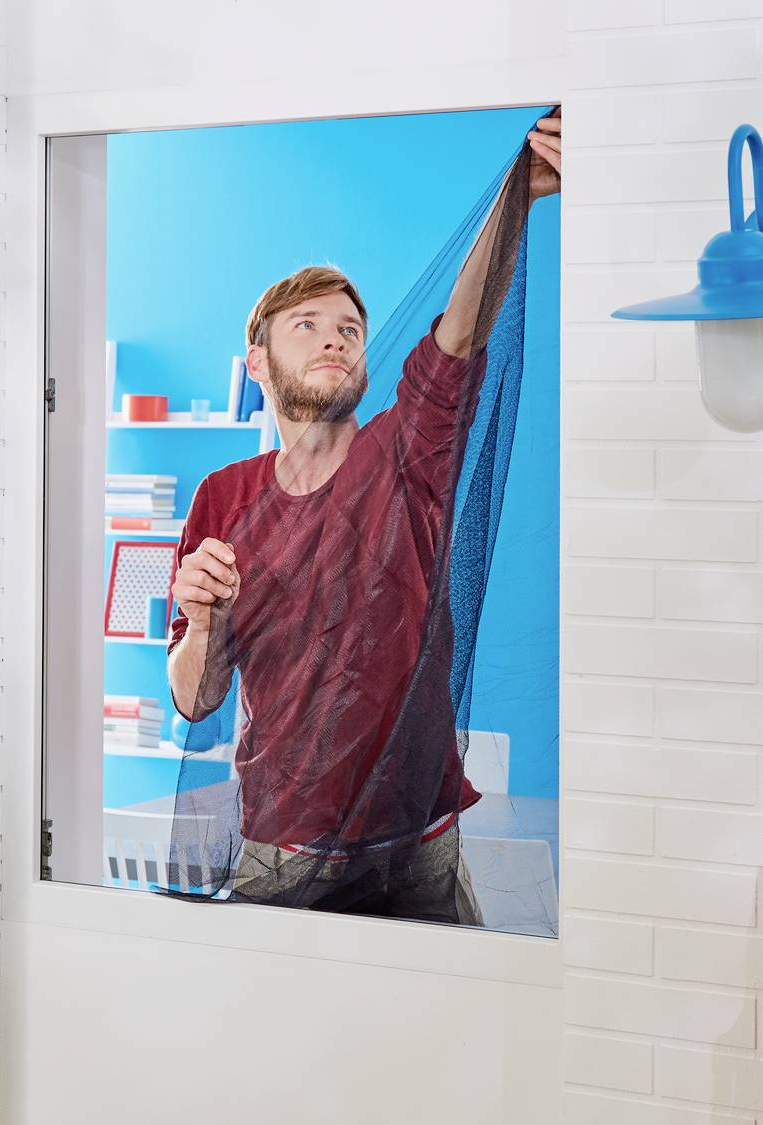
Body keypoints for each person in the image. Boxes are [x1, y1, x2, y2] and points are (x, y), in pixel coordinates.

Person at [165, 114, 562, 924]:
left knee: (451, 1040)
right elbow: (194, 698)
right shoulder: (222, 497)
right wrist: (202, 619)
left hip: (421, 845)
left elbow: (459, 333)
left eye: (349, 328)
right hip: (285, 849)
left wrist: (516, 198)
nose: (334, 340)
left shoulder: (406, 453)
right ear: (258, 364)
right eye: (305, 326)